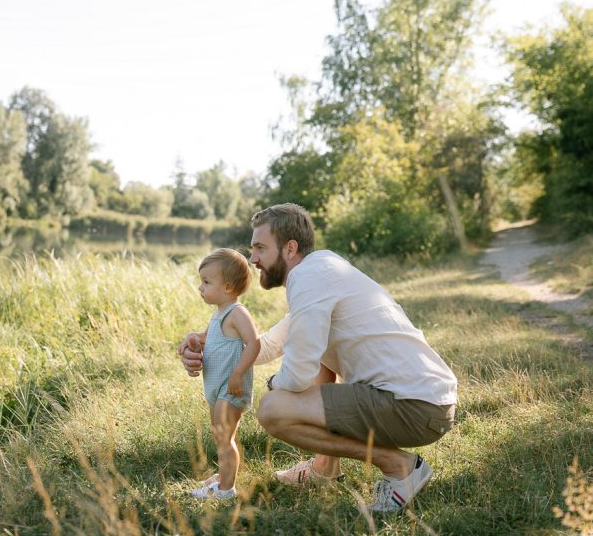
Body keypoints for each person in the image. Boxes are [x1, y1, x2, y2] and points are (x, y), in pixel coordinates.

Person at [180, 204, 457, 514]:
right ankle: (325, 467)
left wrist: (278, 386)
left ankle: (400, 466)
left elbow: (298, 370)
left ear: (289, 248)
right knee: (318, 360)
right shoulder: (321, 272)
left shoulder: (308, 278)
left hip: (415, 406)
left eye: (260, 248)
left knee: (274, 409)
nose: (253, 258)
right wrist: (208, 344)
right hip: (424, 402)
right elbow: (269, 344)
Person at [187, 248, 260, 502]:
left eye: (207, 282)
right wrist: (194, 338)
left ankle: (226, 491)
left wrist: (238, 374)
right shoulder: (219, 313)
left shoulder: (237, 313)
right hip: (217, 387)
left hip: (232, 387)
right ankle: (222, 477)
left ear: (228, 286)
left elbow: (254, 344)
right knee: (220, 434)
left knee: (223, 436)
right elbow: (207, 338)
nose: (201, 287)